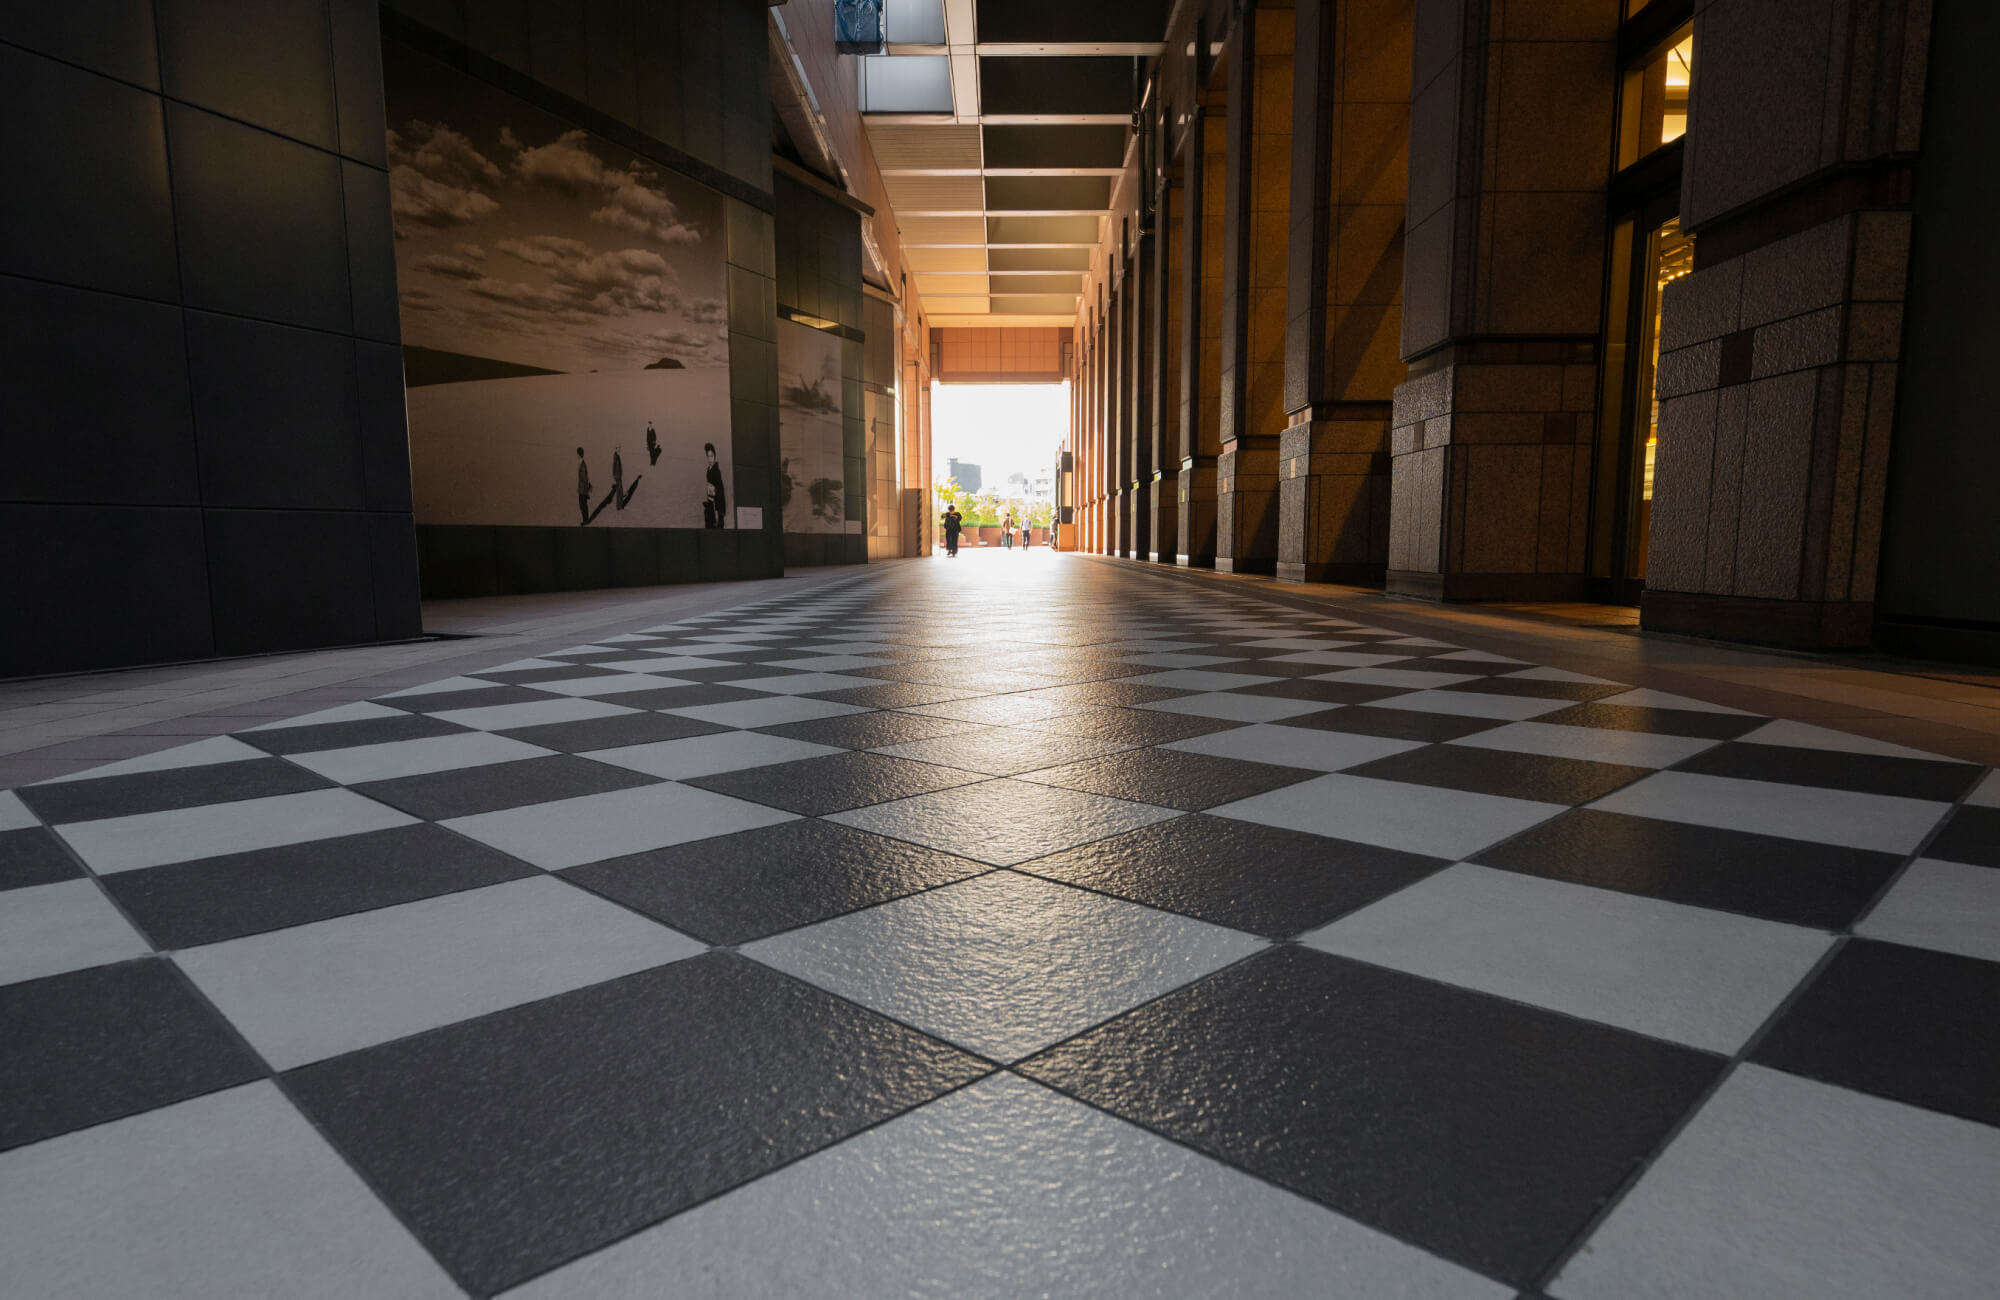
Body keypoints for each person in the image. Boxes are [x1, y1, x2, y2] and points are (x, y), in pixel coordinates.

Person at [703, 442, 727, 528]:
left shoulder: (716, 471)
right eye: (708, 456)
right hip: (712, 502)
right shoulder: (709, 469)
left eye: (712, 456)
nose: (710, 458)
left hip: (717, 504)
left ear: (715, 456)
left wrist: (717, 513)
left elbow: (718, 491)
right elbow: (710, 488)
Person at [576, 447, 592, 525]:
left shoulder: (582, 464)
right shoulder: (581, 463)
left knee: (583, 505)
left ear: (579, 454)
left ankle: (586, 520)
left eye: (577, 454)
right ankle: (585, 519)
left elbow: (585, 478)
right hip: (581, 488)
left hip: (583, 489)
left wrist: (586, 490)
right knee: (582, 504)